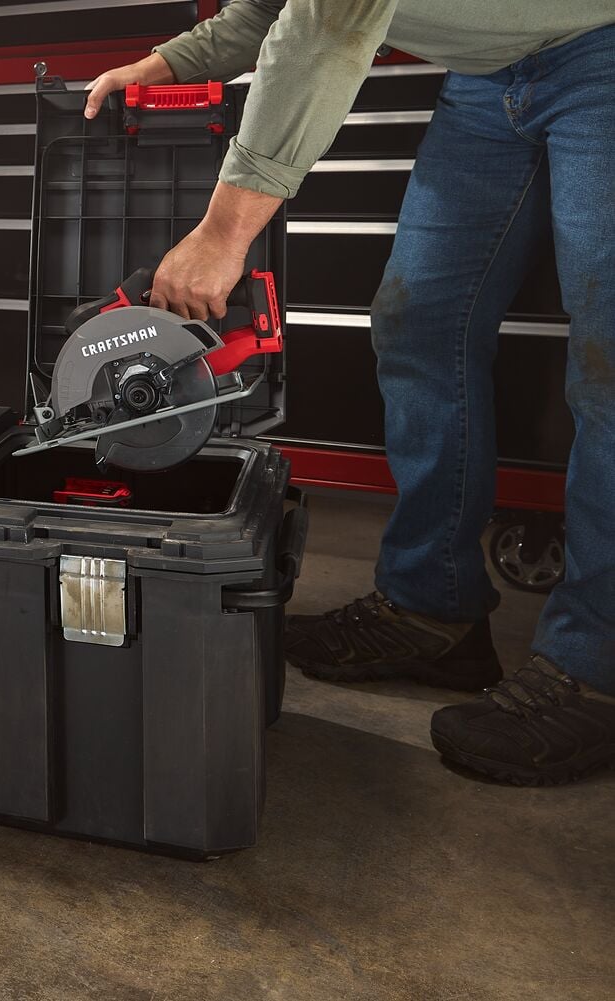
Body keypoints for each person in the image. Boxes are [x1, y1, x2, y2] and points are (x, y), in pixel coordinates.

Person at [83, 1, 615, 785]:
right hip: (485, 82)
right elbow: (272, 9)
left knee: (608, 364)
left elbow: (326, 24)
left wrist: (224, 235)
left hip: (600, 53)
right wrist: (162, 66)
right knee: (418, 324)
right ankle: (433, 608)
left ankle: (595, 666)